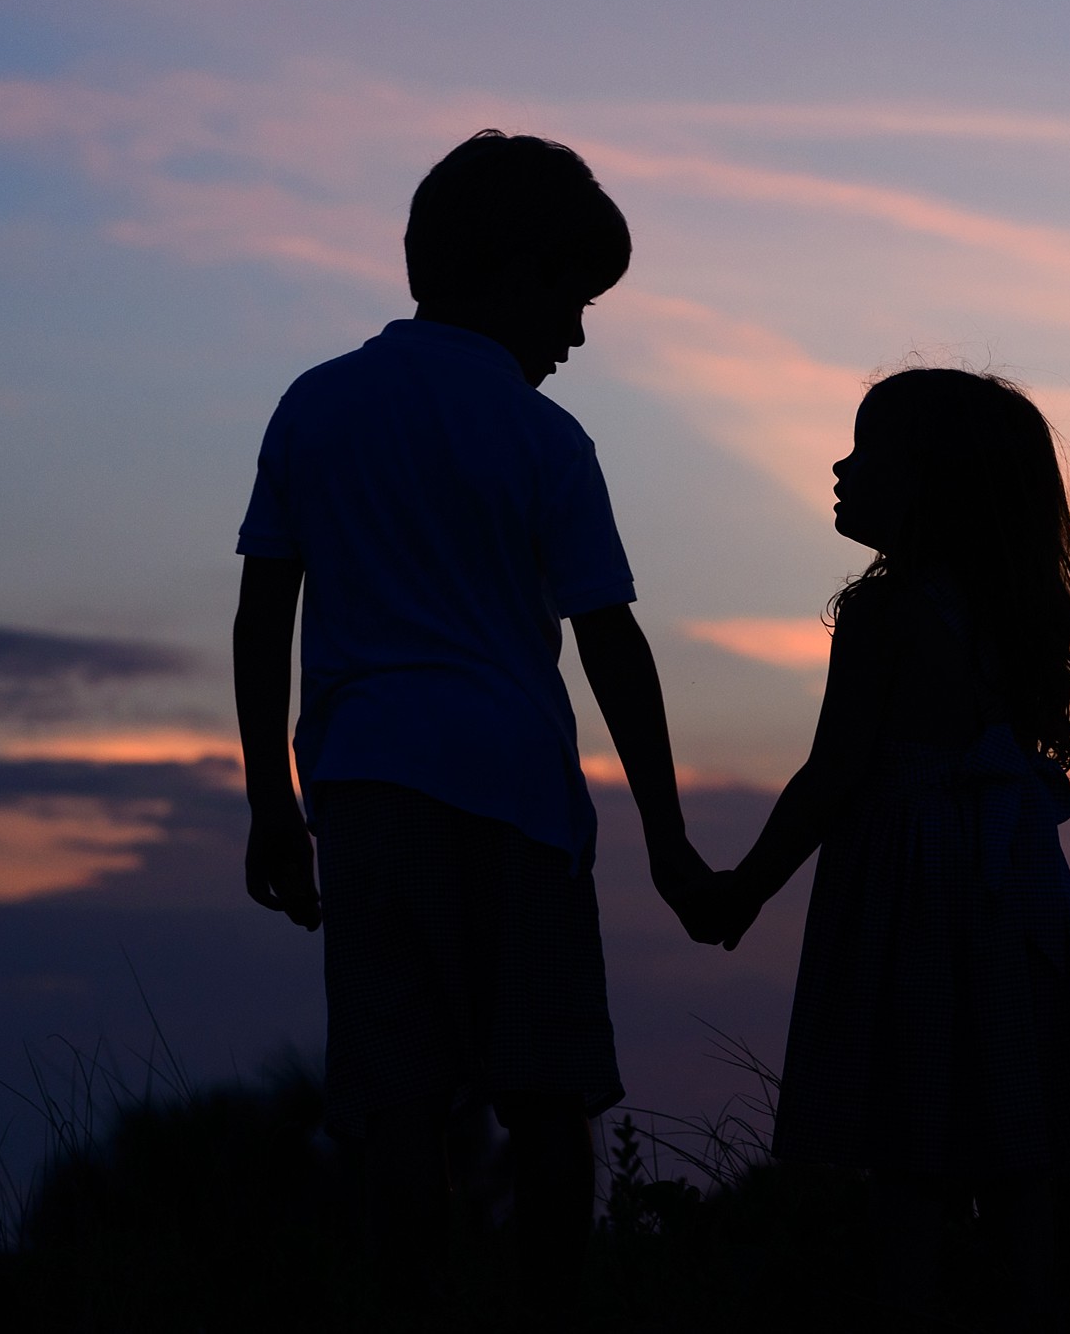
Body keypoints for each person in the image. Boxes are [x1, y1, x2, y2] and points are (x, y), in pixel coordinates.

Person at [230, 130, 717, 1318]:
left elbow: (261, 619)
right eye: (571, 295)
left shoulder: (316, 406)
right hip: (517, 799)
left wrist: (269, 807)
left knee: (398, 1109)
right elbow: (611, 642)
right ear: (509, 270)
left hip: (365, 795)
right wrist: (666, 838)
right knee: (549, 1101)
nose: (578, 333)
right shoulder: (545, 439)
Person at [692, 367, 1070, 1319]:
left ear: (934, 480)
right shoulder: (1021, 618)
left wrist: (745, 888)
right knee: (1018, 1150)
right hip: (1015, 894)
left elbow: (832, 773)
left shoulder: (884, 614)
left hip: (917, 902)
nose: (842, 469)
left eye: (868, 451)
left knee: (909, 1153)